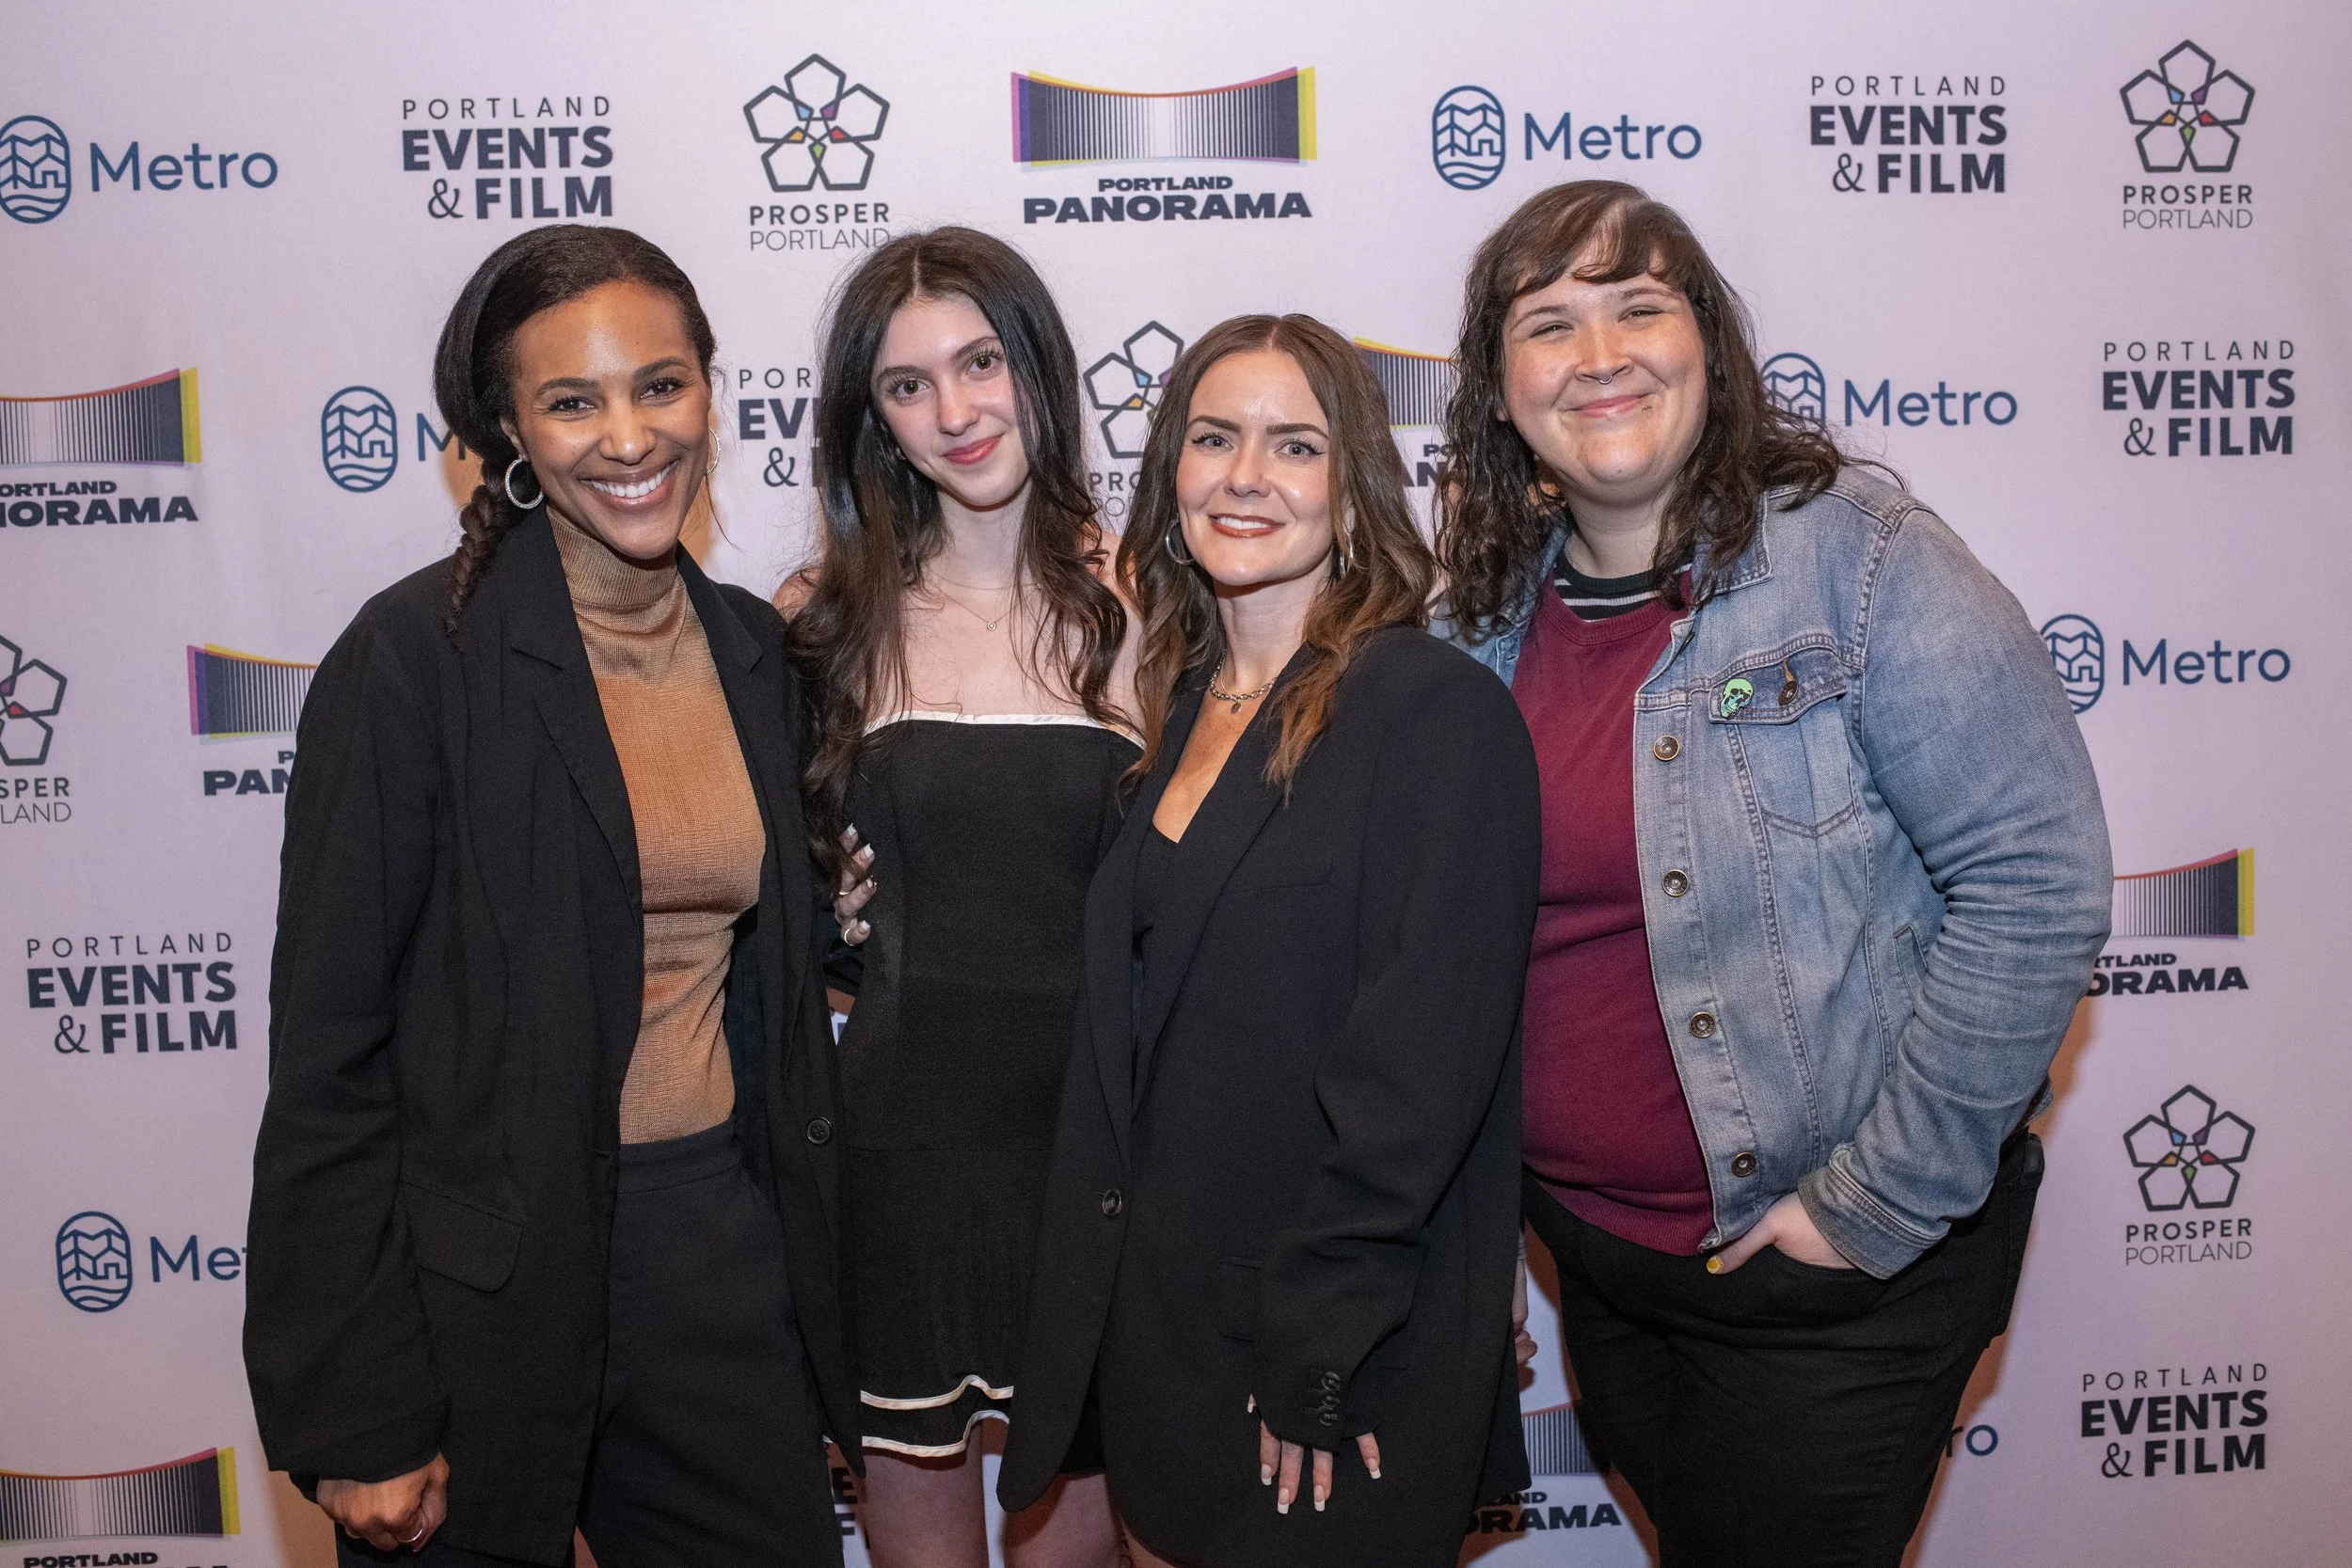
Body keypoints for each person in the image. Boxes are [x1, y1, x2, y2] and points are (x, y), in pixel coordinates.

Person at [1431, 180, 2111, 1567]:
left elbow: (2038, 881)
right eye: (1550, 323)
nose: (1601, 351)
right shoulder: (1483, 627)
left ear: (1711, 346)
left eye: (1640, 306)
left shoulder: (1860, 564)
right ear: (1502, 393)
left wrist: (1864, 1208)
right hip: (1607, 1275)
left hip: (1836, 1282)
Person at [245, 225, 852, 1566]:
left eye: (661, 384)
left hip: (712, 1252)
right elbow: (330, 1058)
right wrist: (359, 1408)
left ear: (710, 390)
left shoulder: (754, 649)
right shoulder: (414, 662)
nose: (629, 435)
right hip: (484, 1282)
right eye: (571, 400)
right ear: (505, 429)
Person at [998, 314, 1541, 1568]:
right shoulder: (1181, 708)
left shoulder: (1430, 710)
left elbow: (1419, 1074)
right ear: (1170, 471)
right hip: (1166, 1333)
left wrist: (1321, 1345)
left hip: (1325, 1356)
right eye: (1214, 437)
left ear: (1350, 488)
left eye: (1294, 444)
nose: (1245, 474)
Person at [782, 227, 1133, 1568]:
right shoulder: (822, 620)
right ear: (869, 420)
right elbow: (764, 897)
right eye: (907, 385)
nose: (956, 412)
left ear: (1035, 363)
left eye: (981, 362)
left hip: (1097, 1157)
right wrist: (833, 910)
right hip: (896, 1153)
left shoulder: (1150, 600)